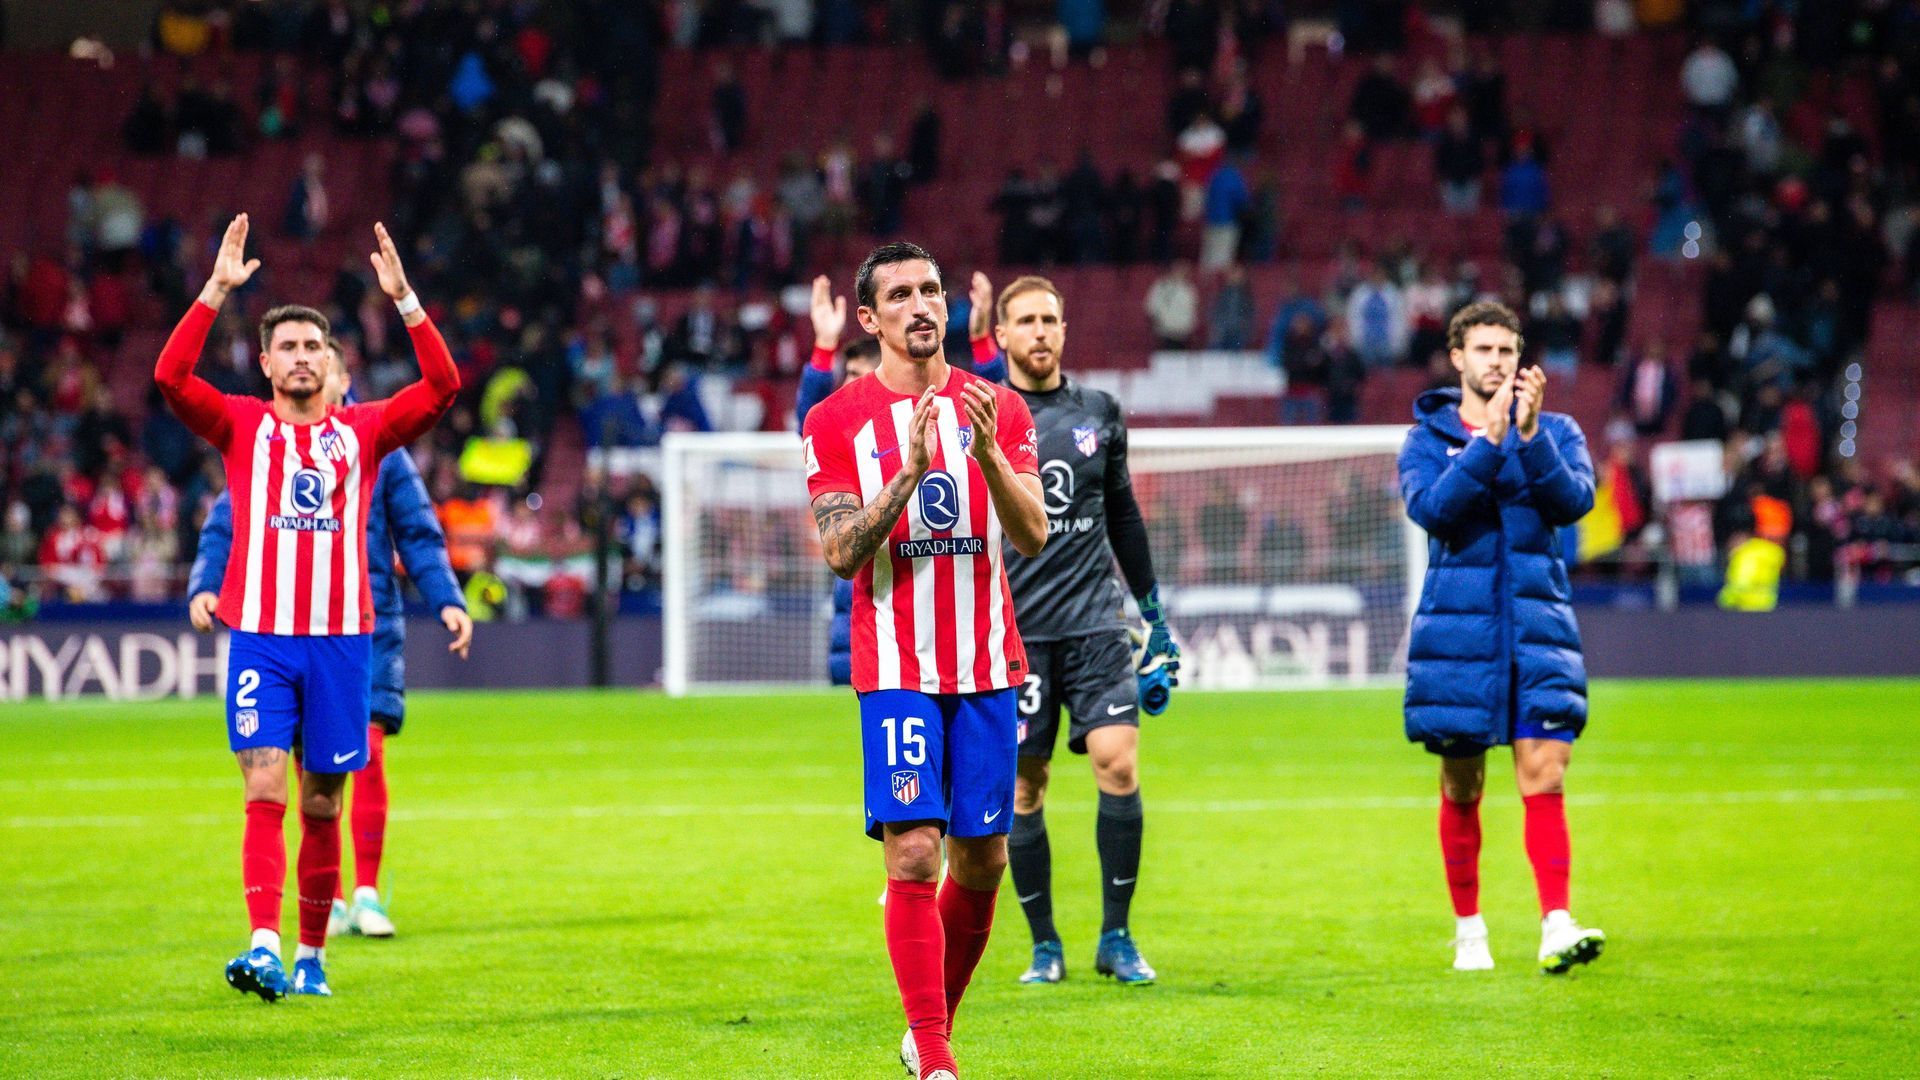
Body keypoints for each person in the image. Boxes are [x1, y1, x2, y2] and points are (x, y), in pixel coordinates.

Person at [154, 214, 459, 1001]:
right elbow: (169, 380)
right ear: (264, 363)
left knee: (322, 803)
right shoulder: (241, 426)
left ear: (331, 363)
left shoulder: (362, 433)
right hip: (261, 637)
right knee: (263, 790)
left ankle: (312, 957)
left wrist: (406, 302)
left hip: (342, 641)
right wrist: (216, 289)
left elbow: (443, 389)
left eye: (312, 347)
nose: (300, 357)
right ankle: (262, 944)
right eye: (286, 346)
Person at [800, 242, 1046, 1080]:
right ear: (869, 319)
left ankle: (925, 1030)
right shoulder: (833, 421)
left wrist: (981, 457)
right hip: (897, 665)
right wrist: (905, 478)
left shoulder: (1000, 410)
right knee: (913, 853)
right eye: (900, 294)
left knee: (984, 861)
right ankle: (938, 1059)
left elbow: (1034, 532)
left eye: (932, 290)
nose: (921, 305)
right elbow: (838, 551)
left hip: (986, 664)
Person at [187, 336, 473, 942]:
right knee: (294, 765)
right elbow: (224, 524)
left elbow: (419, 534)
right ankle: (331, 898)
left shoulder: (381, 452)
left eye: (329, 366)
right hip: (283, 628)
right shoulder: (266, 449)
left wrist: (446, 598)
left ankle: (365, 891)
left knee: (364, 749)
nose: (319, 374)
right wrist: (204, 585)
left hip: (364, 627)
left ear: (342, 381)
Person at [979, 273, 1181, 987]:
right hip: (1018, 634)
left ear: (1064, 329)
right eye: (1026, 320)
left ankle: (1117, 937)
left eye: (1050, 319)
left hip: (1098, 624)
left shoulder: (1099, 410)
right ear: (999, 335)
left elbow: (1123, 517)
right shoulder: (984, 415)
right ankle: (1044, 945)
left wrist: (1153, 618)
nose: (1040, 331)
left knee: (1118, 765)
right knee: (1026, 789)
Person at [1398, 301, 1605, 976]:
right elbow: (1434, 511)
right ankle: (1468, 929)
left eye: (1508, 351)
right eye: (1484, 350)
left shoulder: (1559, 430)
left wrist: (1530, 433)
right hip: (1459, 635)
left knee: (1544, 770)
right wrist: (1488, 442)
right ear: (1457, 358)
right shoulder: (1427, 438)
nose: (1497, 361)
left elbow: (1574, 502)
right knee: (1463, 784)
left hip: (1537, 628)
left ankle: (1555, 922)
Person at [799, 273, 1000, 688]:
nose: (856, 384)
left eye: (864, 374)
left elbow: (994, 413)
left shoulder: (940, 421)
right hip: (866, 621)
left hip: (954, 619)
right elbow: (809, 418)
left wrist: (981, 341)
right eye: (848, 374)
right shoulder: (837, 429)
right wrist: (822, 349)